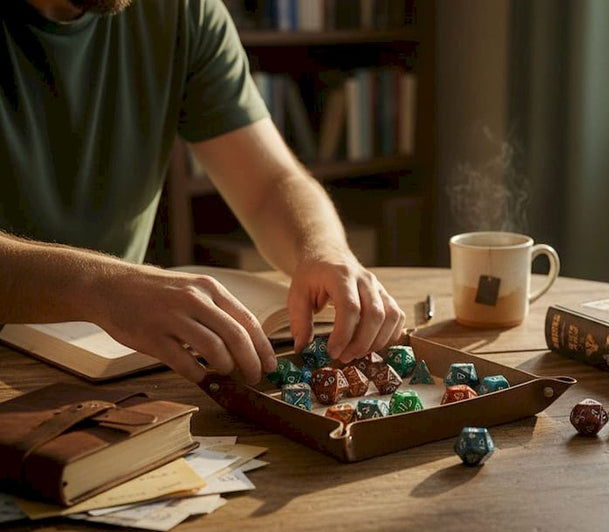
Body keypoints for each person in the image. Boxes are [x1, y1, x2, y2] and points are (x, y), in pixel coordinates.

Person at [0, 0, 407, 385]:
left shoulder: (182, 11)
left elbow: (270, 184)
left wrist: (322, 250)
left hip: (119, 362)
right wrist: (100, 286)